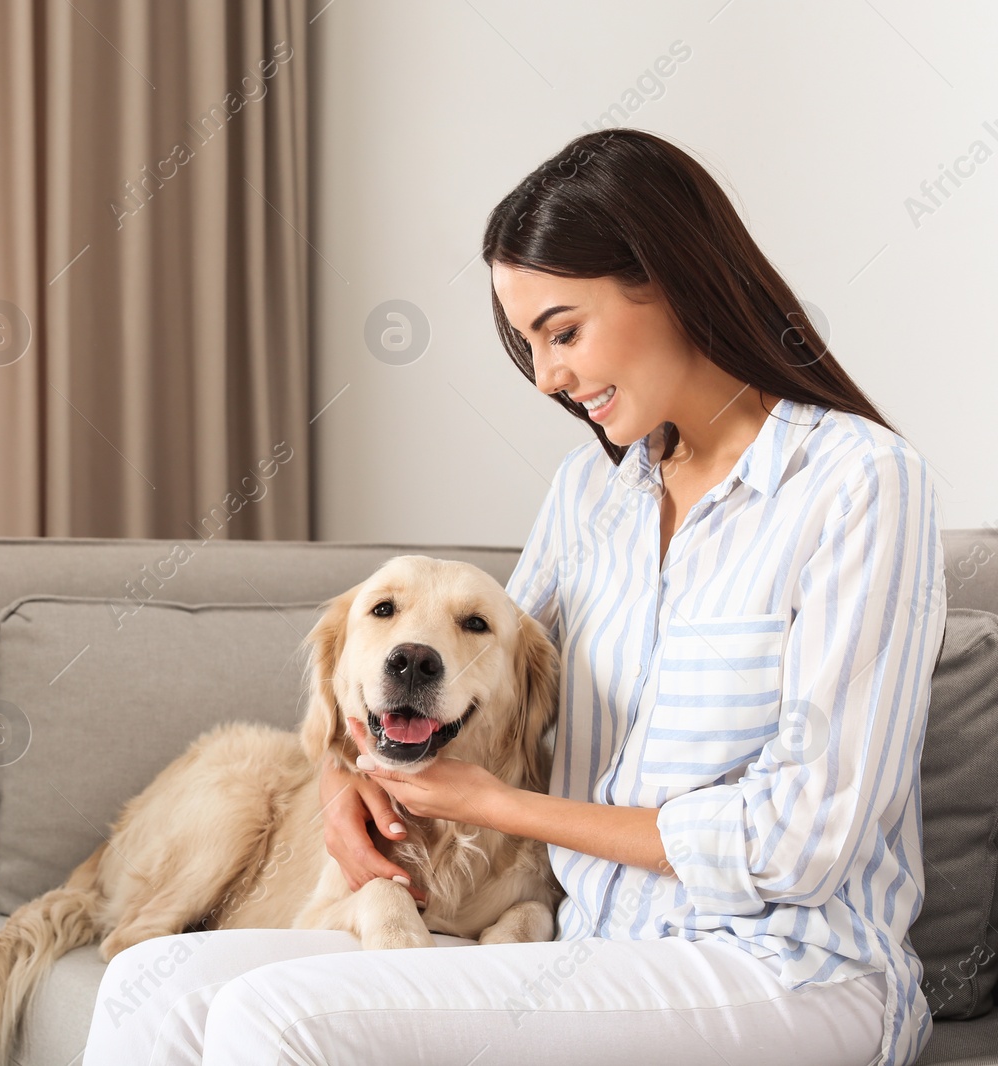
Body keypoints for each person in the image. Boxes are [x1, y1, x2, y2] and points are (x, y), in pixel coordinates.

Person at [81, 128, 945, 1066]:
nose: (548, 379)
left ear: (672, 277)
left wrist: (498, 807)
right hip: (595, 952)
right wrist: (342, 780)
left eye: (563, 332)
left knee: (278, 1019)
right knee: (149, 987)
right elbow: (468, 683)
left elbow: (802, 841)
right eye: (530, 344)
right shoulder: (594, 493)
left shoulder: (859, 483)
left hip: (786, 969)